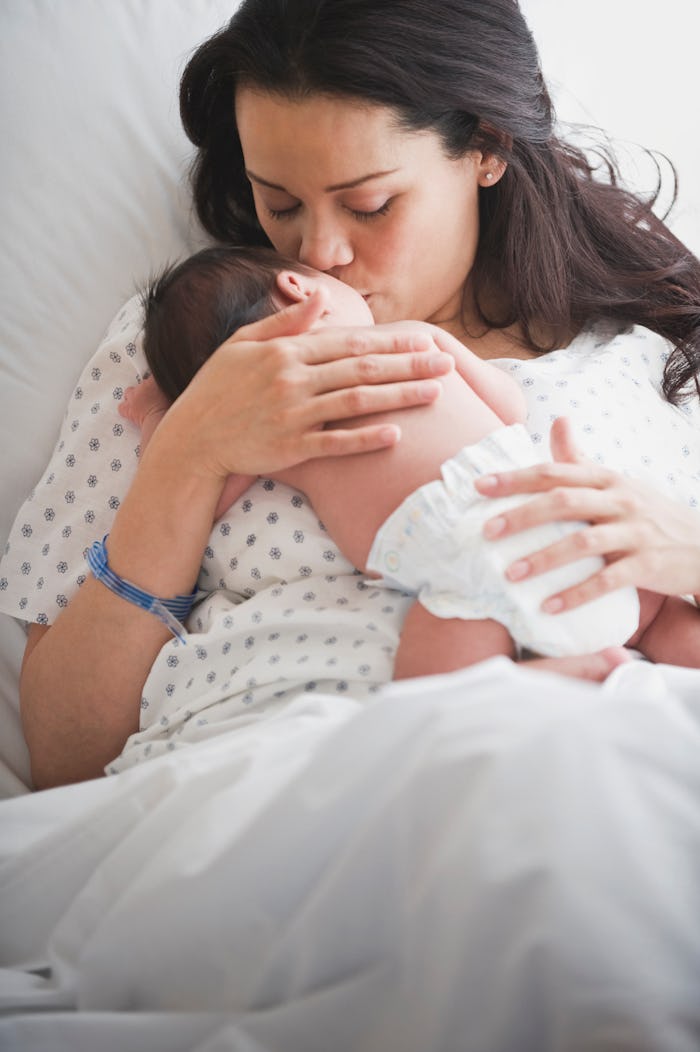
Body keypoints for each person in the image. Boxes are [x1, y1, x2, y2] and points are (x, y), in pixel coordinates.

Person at [3, 0, 699, 791]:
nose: (318, 252)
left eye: (369, 206)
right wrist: (189, 452)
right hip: (249, 790)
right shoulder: (198, 339)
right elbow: (63, 760)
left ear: (487, 150)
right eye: (281, 204)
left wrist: (686, 553)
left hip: (597, 766)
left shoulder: (652, 354)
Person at [122, 242, 700, 676]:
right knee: (655, 615)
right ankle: (638, 646)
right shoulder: (411, 338)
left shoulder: (271, 436)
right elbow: (508, 404)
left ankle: (559, 679)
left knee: (438, 686)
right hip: (548, 519)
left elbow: (211, 493)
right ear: (302, 289)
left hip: (460, 567)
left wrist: (162, 422)